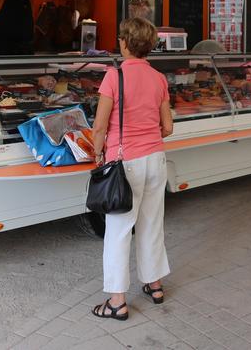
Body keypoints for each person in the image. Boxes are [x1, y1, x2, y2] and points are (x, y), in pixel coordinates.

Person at [90, 17, 174, 321]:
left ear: (124, 42)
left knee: (119, 230)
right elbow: (168, 126)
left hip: (125, 163)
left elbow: (99, 126)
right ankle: (154, 285)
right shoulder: (159, 78)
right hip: (156, 159)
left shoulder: (114, 77)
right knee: (152, 223)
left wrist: (98, 153)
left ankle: (116, 301)